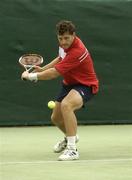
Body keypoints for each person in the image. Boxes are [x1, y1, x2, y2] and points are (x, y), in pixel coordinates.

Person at [21, 20, 99, 161]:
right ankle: (72, 136)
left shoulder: (77, 51)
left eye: (66, 38)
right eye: (60, 38)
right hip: (69, 83)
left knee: (66, 105)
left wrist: (31, 76)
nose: (63, 42)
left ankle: (72, 149)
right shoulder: (64, 45)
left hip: (85, 85)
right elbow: (60, 58)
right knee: (55, 118)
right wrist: (43, 68)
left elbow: (54, 74)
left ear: (73, 35)